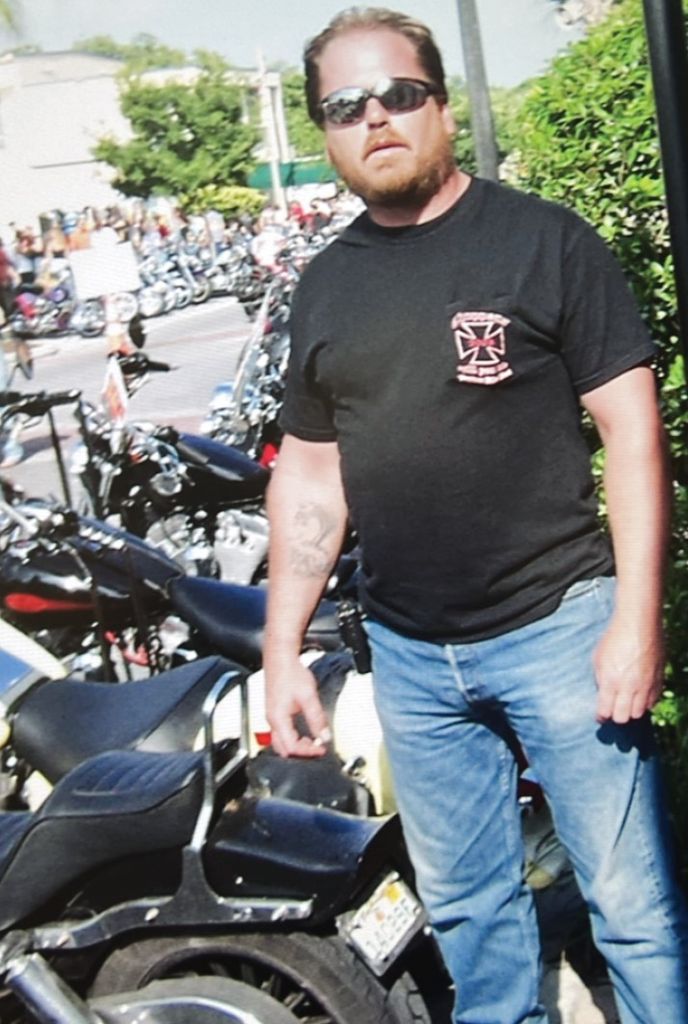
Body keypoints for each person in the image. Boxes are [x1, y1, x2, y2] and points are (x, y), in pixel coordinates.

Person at [263, 7, 688, 1023]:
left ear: (443, 107)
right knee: (468, 915)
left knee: (632, 907)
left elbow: (632, 432)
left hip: (562, 631)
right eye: (345, 106)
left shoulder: (545, 242)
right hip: (411, 658)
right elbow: (312, 474)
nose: (376, 119)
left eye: (398, 94)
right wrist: (281, 648)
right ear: (325, 134)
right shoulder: (325, 286)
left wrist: (636, 620)